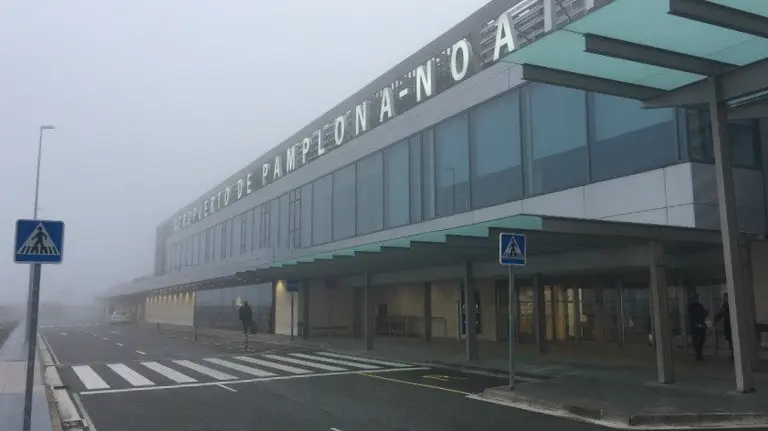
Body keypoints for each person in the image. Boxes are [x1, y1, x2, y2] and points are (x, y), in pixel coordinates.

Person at [688, 293, 709, 362]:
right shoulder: (698, 306)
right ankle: (699, 355)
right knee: (700, 341)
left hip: (695, 326)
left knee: (697, 341)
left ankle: (698, 355)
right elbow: (705, 313)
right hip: (699, 325)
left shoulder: (690, 307)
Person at [713, 292, 733, 359]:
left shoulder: (727, 304)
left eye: (725, 297)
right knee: (730, 339)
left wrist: (715, 320)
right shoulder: (725, 304)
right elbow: (721, 313)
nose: (724, 299)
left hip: (730, 324)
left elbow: (721, 313)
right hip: (728, 324)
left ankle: (733, 353)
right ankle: (733, 352)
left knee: (731, 339)